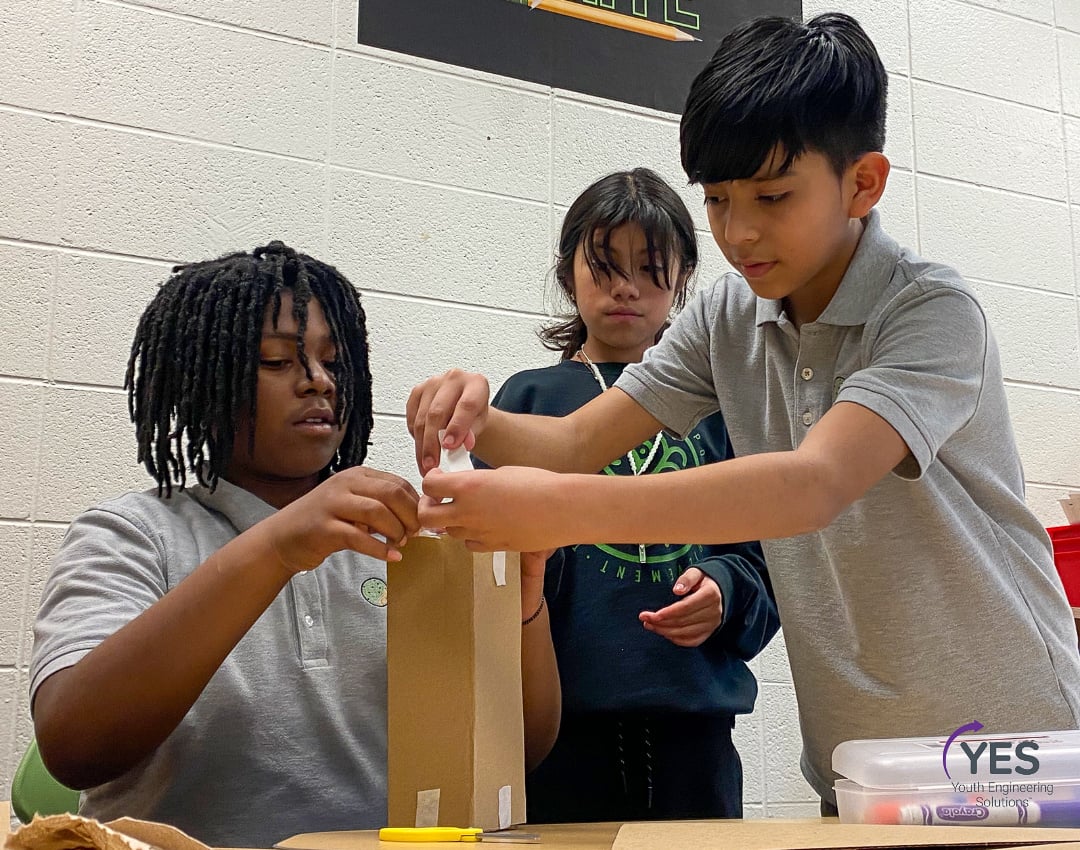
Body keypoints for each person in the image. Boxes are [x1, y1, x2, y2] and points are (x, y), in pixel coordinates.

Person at [406, 13, 1080, 812]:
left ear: (862, 182)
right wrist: (482, 420)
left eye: (772, 196)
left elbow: (814, 483)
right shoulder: (730, 315)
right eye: (718, 200)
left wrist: (558, 512)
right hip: (857, 757)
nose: (739, 231)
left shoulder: (928, 309)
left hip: (1014, 744)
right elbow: (580, 439)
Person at [29, 242, 559, 847]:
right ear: (203, 377)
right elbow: (74, 744)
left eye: (335, 362)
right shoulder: (132, 534)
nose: (318, 383)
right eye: (276, 361)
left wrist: (520, 611)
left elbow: (526, 747)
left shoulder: (403, 537)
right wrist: (276, 548)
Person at [479, 168, 777, 822]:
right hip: (556, 739)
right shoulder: (526, 406)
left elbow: (766, 562)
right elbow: (486, 578)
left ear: (684, 277)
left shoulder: (724, 410)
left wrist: (725, 589)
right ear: (568, 275)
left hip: (695, 738)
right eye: (604, 266)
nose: (626, 288)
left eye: (651, 268)